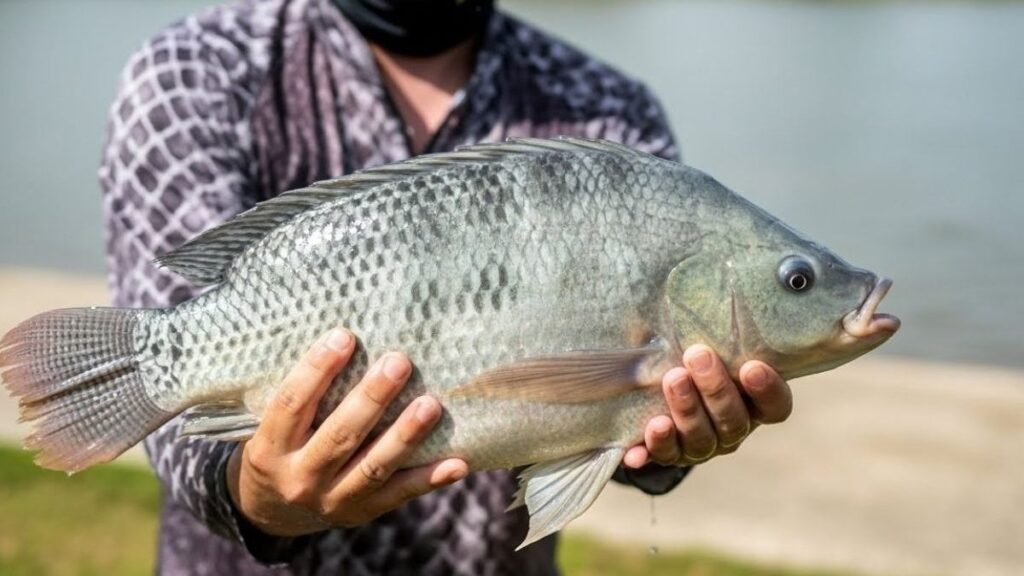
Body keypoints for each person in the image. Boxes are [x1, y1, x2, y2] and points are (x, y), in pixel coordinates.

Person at [99, 0, 794, 574]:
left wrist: (666, 446)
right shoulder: (195, 75)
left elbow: (614, 425)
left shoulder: (608, 111)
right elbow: (179, 431)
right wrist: (259, 494)